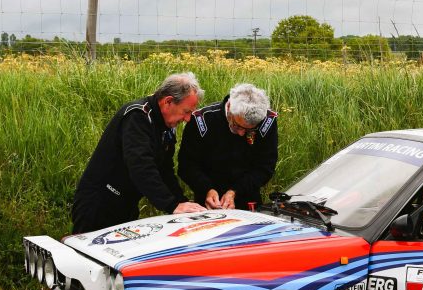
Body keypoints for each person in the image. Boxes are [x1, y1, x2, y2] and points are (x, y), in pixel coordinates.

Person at [71, 72, 207, 234]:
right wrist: (171, 205)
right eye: (186, 111)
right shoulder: (137, 116)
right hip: (99, 203)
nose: (188, 119)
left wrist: (181, 202)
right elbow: (141, 166)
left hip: (126, 203)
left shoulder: (165, 126)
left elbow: (165, 169)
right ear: (168, 102)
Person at [178, 82, 278, 210]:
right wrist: (207, 189)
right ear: (229, 107)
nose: (242, 133)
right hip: (208, 203)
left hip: (248, 198)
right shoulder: (201, 121)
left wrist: (234, 192)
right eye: (237, 125)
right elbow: (187, 166)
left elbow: (265, 167)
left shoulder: (267, 121)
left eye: (249, 131)